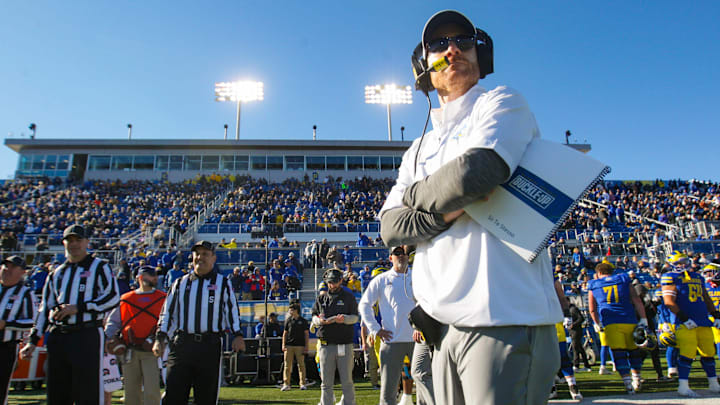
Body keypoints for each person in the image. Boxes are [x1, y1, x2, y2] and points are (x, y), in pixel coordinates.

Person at [379, 9, 561, 404]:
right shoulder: (417, 148)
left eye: (463, 41)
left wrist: (417, 198)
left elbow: (475, 174)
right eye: (438, 44)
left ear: (482, 54)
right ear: (423, 66)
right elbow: (391, 227)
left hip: (505, 317)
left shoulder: (501, 101)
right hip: (441, 330)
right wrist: (449, 209)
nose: (453, 50)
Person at [20, 224, 120, 405]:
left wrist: (80, 307)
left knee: (88, 390)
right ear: (63, 243)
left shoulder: (99, 267)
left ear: (87, 242)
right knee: (58, 391)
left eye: (78, 240)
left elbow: (113, 297)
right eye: (69, 240)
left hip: (86, 334)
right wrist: (33, 341)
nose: (74, 244)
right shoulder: (57, 272)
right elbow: (45, 308)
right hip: (59, 335)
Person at [153, 240, 245, 405]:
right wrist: (160, 338)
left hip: (209, 346)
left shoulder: (222, 283)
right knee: (173, 395)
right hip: (182, 345)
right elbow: (167, 312)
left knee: (205, 397)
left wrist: (237, 335)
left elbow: (232, 311)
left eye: (205, 254)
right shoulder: (180, 283)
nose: (200, 258)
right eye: (197, 254)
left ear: (213, 258)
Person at [359, 245, 421, 405]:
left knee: (425, 385)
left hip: (419, 341)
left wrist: (423, 328)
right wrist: (375, 329)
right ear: (390, 258)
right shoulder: (381, 279)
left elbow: (430, 303)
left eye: (405, 254)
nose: (401, 256)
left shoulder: (419, 277)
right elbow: (364, 305)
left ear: (409, 257)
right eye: (397, 253)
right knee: (388, 391)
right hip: (392, 340)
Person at [660, 252, 720, 397]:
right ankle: (683, 385)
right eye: (679, 262)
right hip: (685, 323)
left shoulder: (697, 277)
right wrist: (684, 318)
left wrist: (715, 314)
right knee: (687, 353)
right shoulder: (670, 277)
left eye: (684, 261)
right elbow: (668, 301)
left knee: (708, 353)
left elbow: (705, 297)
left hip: (703, 320)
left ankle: (713, 383)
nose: (683, 265)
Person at [105, 265, 166, 405]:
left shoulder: (163, 298)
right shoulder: (126, 299)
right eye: (151, 275)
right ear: (140, 277)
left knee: (152, 391)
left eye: (155, 275)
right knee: (131, 392)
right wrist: (108, 338)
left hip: (152, 350)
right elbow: (114, 322)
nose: (155, 278)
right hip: (129, 350)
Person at [588, 261, 648, 394]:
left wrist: (597, 323)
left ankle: (628, 384)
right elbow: (636, 300)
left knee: (619, 354)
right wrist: (643, 319)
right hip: (629, 319)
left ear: (598, 273)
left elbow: (592, 309)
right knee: (634, 352)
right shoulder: (623, 279)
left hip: (611, 323)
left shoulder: (594, 284)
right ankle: (637, 379)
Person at [311, 268, 359, 405]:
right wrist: (318, 321)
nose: (333, 285)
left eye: (336, 282)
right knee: (326, 381)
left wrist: (344, 319)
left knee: (347, 380)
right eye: (331, 282)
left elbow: (355, 318)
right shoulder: (321, 299)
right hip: (326, 344)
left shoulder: (349, 297)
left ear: (341, 281)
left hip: (344, 343)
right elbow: (314, 316)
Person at [0, 256, 35, 405]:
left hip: (5, 346)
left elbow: (30, 321)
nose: (7, 270)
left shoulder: (25, 293)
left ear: (22, 272)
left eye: (12, 267)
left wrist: (6, 324)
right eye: (5, 266)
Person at [280, 303, 310, 391]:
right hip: (289, 345)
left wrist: (306, 346)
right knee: (287, 365)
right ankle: (286, 384)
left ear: (296, 310)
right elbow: (285, 333)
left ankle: (303, 383)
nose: (290, 311)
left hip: (300, 345)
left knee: (301, 365)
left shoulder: (303, 321)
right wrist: (283, 344)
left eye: (291, 310)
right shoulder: (288, 320)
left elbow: (306, 334)